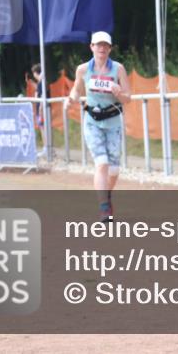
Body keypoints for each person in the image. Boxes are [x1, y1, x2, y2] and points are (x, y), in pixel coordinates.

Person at [68, 31, 132, 221]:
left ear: (110, 48)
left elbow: (128, 98)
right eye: (98, 45)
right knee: (101, 163)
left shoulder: (118, 69)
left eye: (105, 45)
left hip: (113, 122)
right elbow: (76, 89)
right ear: (91, 47)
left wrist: (119, 93)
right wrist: (71, 99)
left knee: (113, 171)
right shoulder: (83, 69)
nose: (102, 48)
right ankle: (104, 207)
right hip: (93, 121)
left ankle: (106, 195)